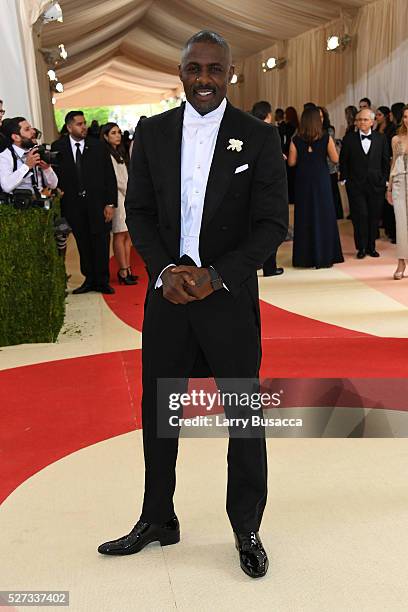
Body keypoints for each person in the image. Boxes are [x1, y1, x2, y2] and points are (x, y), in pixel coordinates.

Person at [98, 30, 288, 579]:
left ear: (230, 73)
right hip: (167, 295)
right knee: (159, 412)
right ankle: (157, 517)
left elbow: (272, 223)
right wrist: (163, 273)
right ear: (179, 72)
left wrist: (215, 276)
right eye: (194, 68)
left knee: (243, 414)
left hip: (225, 295)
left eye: (215, 69)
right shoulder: (152, 133)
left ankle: (246, 526)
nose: (204, 79)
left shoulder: (257, 137)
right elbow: (143, 212)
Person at [51, 111, 117, 294]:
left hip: (98, 204)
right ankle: (89, 279)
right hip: (73, 206)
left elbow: (109, 176)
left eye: (84, 123)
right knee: (83, 243)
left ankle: (103, 281)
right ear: (69, 127)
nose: (84, 127)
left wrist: (110, 204)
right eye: (79, 124)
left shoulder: (97, 146)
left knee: (101, 242)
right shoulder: (58, 147)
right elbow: (54, 176)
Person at [288, 106, 343, 268]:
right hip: (321, 180)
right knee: (324, 215)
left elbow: (292, 162)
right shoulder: (326, 138)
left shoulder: (296, 140)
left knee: (304, 216)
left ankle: (305, 258)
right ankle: (325, 255)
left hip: (303, 181)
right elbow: (335, 159)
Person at [339, 109, 390, 258]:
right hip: (356, 185)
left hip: (376, 184)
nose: (362, 122)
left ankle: (371, 247)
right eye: (359, 119)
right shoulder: (349, 138)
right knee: (360, 216)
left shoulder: (381, 138)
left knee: (373, 216)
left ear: (372, 122)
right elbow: (344, 161)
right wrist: (346, 179)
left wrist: (385, 180)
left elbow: (385, 161)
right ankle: (361, 248)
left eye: (365, 120)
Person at [100, 122, 137, 285]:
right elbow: (116, 180)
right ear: (106, 136)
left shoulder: (119, 153)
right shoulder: (107, 155)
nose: (118, 135)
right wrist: (130, 192)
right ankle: (123, 271)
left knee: (128, 234)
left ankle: (127, 268)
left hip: (126, 196)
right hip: (118, 198)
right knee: (120, 234)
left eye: (119, 132)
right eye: (113, 133)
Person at [251, 100, 284, 277]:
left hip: (250, 187)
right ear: (269, 115)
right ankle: (270, 266)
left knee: (253, 228)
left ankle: (255, 262)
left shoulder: (247, 129)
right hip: (268, 186)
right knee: (269, 226)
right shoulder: (270, 131)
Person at [0, 116, 57, 194]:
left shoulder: (36, 151)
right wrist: (26, 166)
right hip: (18, 204)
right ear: (16, 137)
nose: (33, 131)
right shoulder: (5, 156)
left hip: (42, 201)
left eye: (31, 128)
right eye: (27, 129)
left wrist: (47, 168)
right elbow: (6, 187)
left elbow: (53, 185)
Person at [387, 105, 408, 279]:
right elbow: (393, 163)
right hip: (399, 183)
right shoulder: (396, 139)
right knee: (400, 224)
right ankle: (401, 262)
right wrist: (389, 187)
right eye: (406, 117)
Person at [375, 106, 396, 242]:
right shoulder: (376, 130)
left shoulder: (392, 131)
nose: (377, 117)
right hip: (378, 167)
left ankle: (392, 230)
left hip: (389, 166)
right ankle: (385, 225)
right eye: (376, 114)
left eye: (379, 114)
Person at [318, 106, 343, 219]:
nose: (320, 119)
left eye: (322, 117)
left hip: (329, 165)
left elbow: (331, 151)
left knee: (333, 191)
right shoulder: (309, 130)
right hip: (318, 167)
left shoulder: (329, 130)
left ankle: (337, 214)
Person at [283, 106, 299, 204]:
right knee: (294, 177)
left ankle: (290, 197)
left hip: (288, 152)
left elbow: (285, 141)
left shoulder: (286, 126)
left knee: (289, 177)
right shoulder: (297, 126)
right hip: (296, 153)